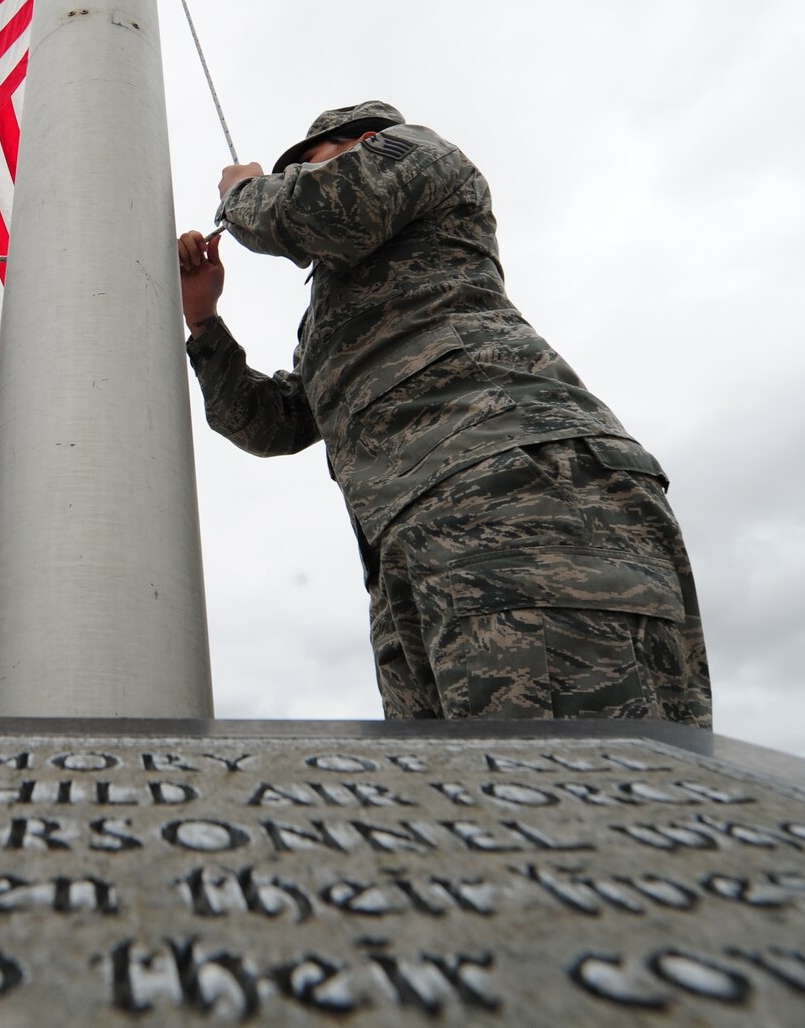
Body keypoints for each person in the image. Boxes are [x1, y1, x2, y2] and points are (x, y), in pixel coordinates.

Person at [177, 100, 710, 727]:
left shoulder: (413, 150)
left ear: (363, 142)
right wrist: (204, 321)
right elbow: (275, 424)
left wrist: (243, 189)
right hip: (413, 539)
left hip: (511, 484)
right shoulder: (336, 314)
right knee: (465, 803)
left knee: (573, 788)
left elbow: (309, 212)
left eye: (309, 167)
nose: (297, 181)